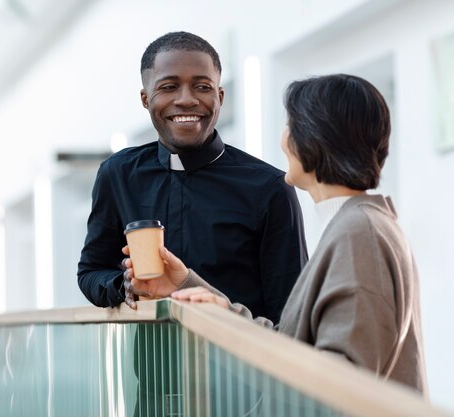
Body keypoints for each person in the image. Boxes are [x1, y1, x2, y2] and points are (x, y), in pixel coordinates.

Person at [125, 74, 427, 393]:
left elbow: (341, 379)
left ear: (313, 137)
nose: (283, 138)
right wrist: (187, 283)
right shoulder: (356, 225)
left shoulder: (358, 233)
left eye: (290, 125)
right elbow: (295, 344)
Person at [77, 31, 308, 325]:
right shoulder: (118, 174)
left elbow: (290, 314)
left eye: (202, 86)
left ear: (219, 97)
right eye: (169, 87)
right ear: (146, 99)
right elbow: (91, 272)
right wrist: (124, 285)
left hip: (237, 367)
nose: (186, 100)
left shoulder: (270, 188)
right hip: (153, 367)